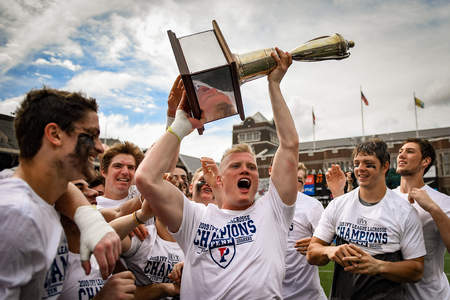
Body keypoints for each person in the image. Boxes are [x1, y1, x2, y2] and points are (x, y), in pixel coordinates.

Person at [136, 47, 299, 298]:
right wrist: (179, 126)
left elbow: (289, 144)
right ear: (219, 180)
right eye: (236, 166)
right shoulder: (195, 217)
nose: (245, 169)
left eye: (251, 167)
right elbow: (146, 178)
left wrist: (274, 84)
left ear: (257, 179)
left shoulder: (273, 211)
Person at [0, 88, 121, 299]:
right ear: (55, 135)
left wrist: (90, 218)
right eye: (91, 136)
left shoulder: (43, 198)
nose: (101, 148)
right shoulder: (16, 215)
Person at [307, 139, 426, 299]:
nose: (360, 169)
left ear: (385, 166)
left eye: (368, 164)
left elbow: (416, 270)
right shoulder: (338, 205)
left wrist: (379, 266)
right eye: (357, 164)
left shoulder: (404, 211)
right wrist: (331, 250)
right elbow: (312, 253)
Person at [394, 138, 450, 299]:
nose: (401, 155)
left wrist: (433, 208)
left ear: (425, 161)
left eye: (409, 151)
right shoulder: (386, 198)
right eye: (400, 152)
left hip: (431, 296)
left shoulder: (442, 202)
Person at [282, 163, 327, 300]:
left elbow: (328, 247)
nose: (295, 183)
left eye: (300, 180)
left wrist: (317, 247)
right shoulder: (265, 206)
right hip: (275, 293)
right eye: (291, 177)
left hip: (308, 294)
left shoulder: (312, 205)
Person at [97, 141, 144, 209]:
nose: (125, 172)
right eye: (118, 166)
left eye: (130, 167)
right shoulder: (93, 204)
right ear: (104, 171)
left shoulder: (141, 192)